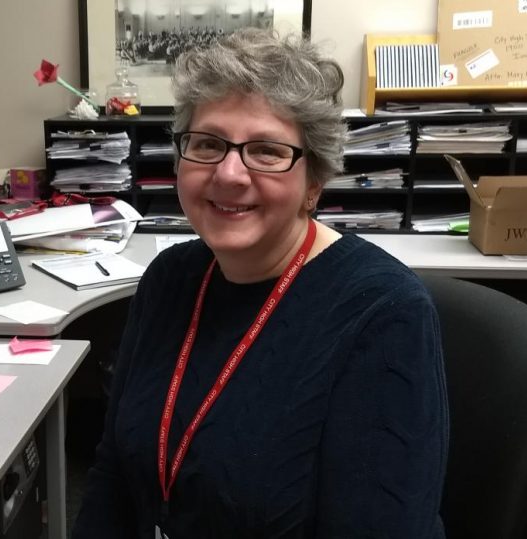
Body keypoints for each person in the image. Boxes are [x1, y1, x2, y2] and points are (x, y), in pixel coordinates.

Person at [73, 28, 448, 538]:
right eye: (207, 143)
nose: (229, 174)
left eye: (266, 151)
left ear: (312, 181)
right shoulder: (170, 278)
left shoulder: (383, 316)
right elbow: (114, 470)